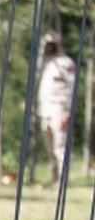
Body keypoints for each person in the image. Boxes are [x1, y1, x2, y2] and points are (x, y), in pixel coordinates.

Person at [37, 33, 76, 187]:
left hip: (59, 110)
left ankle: (63, 180)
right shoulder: (48, 64)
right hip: (45, 110)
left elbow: (71, 89)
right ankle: (54, 178)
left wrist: (66, 113)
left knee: (61, 147)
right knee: (49, 148)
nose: (49, 46)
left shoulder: (65, 63)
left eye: (52, 43)